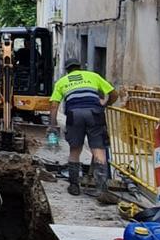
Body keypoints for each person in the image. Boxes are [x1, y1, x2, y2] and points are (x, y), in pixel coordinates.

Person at [48, 59, 117, 202]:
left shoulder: (62, 82)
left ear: (67, 70)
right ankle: (102, 190)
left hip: (75, 115)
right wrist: (104, 104)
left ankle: (74, 186)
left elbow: (54, 105)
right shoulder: (93, 76)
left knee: (75, 150)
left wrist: (53, 125)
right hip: (94, 113)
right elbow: (113, 93)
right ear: (80, 68)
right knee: (99, 150)